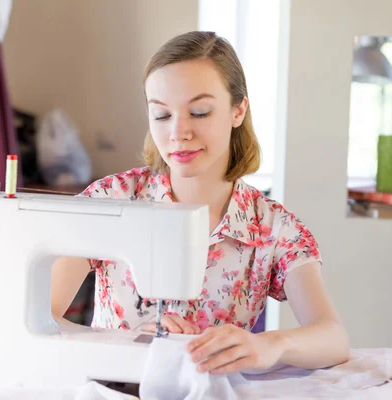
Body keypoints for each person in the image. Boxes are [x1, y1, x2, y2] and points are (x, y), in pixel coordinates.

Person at [51, 31, 349, 375]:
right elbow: (41, 318)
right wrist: (128, 344)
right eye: (162, 115)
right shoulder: (111, 201)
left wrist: (271, 344)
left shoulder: (272, 228)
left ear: (238, 110)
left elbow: (333, 338)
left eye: (200, 112)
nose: (179, 132)